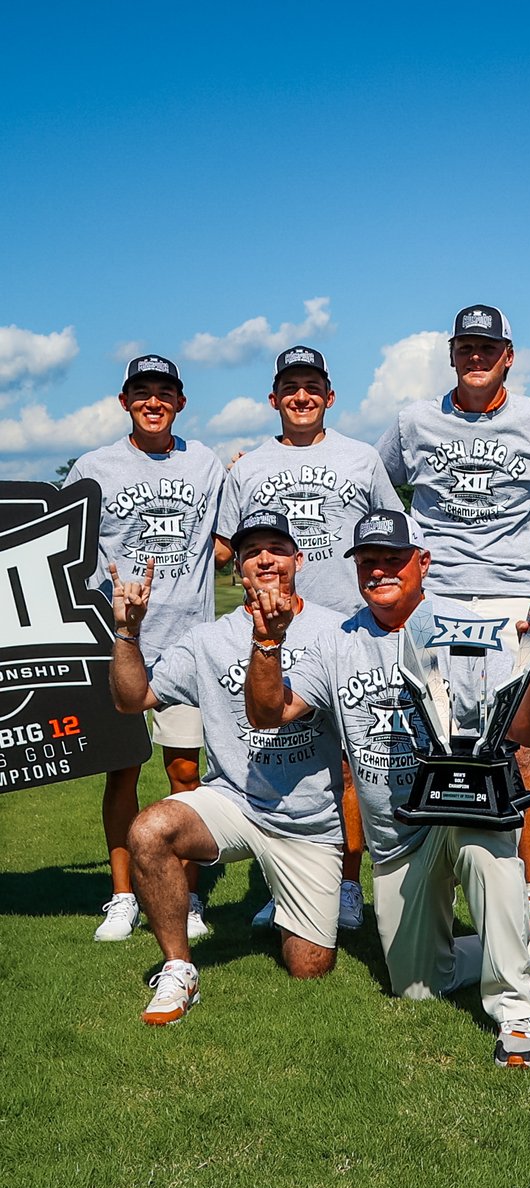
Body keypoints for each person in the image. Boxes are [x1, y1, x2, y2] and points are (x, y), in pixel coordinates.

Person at [244, 509, 530, 1066]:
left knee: (488, 852)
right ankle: (527, 939)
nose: (380, 571)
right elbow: (269, 713)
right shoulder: (337, 640)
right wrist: (266, 646)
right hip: (396, 835)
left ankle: (517, 1013)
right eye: (369, 562)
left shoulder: (467, 625)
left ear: (423, 563)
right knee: (416, 986)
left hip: (464, 808)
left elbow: (528, 731)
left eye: (394, 559)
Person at [376, 305, 530, 955]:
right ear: (452, 352)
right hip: (436, 599)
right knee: (432, 740)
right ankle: (437, 879)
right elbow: (379, 487)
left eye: (487, 347)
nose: (476, 356)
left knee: (520, 748)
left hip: (516, 600)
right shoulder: (414, 422)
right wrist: (411, 564)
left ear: (508, 355)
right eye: (465, 346)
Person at [110, 512, 347, 1024]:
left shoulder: (335, 631)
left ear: (298, 561)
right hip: (234, 802)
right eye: (252, 551)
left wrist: (271, 641)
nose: (266, 558)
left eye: (278, 549)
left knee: (308, 967)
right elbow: (134, 699)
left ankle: (288, 901)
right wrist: (128, 634)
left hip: (310, 821)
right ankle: (179, 968)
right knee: (150, 830)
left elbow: (275, 713)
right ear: (237, 569)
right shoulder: (206, 640)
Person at [216, 345, 402, 932]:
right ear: (274, 398)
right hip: (272, 630)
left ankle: (348, 884)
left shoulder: (362, 459)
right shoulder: (247, 469)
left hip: (347, 627)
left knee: (351, 766)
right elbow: (222, 549)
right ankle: (285, 882)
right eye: (290, 387)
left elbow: (394, 537)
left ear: (329, 396)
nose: (301, 397)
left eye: (312, 387)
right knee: (278, 759)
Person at [65, 355, 227, 942]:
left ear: (180, 402)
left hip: (187, 648)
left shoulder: (204, 462)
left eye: (164, 392)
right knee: (121, 772)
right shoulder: (94, 466)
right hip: (121, 645)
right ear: (124, 400)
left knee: (186, 775)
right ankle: (123, 896)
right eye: (142, 392)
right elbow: (68, 552)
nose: (153, 401)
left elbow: (226, 542)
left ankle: (182, 898)